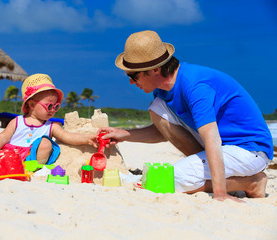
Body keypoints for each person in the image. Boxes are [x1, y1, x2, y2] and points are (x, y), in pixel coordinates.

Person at [100, 30, 273, 202]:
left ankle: (251, 183)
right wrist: (125, 134)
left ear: (154, 70)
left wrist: (220, 193)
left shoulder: (194, 85)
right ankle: (217, 176)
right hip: (223, 147)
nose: (131, 81)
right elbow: (163, 132)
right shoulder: (162, 92)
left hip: (249, 150)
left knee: (172, 178)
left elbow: (212, 138)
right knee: (156, 108)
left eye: (133, 75)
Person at [0, 73, 98, 168]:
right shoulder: (17, 121)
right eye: (49, 106)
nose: (52, 110)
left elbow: (67, 136)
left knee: (46, 143)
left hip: (30, 158)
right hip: (10, 154)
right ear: (31, 105)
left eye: (56, 106)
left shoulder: (50, 126)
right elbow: (3, 137)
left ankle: (32, 168)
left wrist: (87, 138)